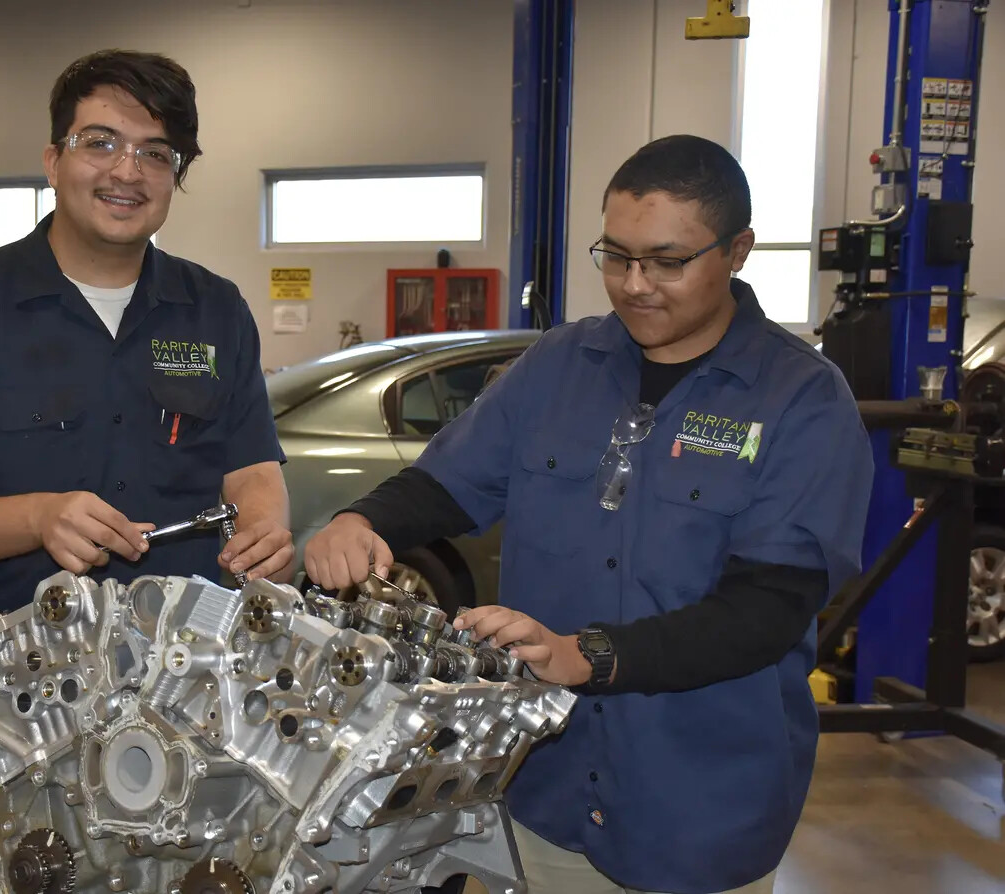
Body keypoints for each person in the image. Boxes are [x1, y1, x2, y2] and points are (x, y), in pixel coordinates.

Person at [304, 134, 874, 894]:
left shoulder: (802, 399)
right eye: (616, 255)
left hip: (698, 806)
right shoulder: (559, 365)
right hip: (545, 785)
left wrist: (590, 655)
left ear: (737, 251)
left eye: (667, 261)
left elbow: (768, 610)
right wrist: (361, 521)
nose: (635, 284)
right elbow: (448, 484)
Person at [0, 50, 293, 893]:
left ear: (177, 174)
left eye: (156, 152)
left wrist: (269, 525)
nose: (126, 171)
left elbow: (251, 464)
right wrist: (37, 517)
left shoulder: (214, 309)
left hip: (190, 687)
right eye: (101, 142)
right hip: (19, 693)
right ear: (54, 158)